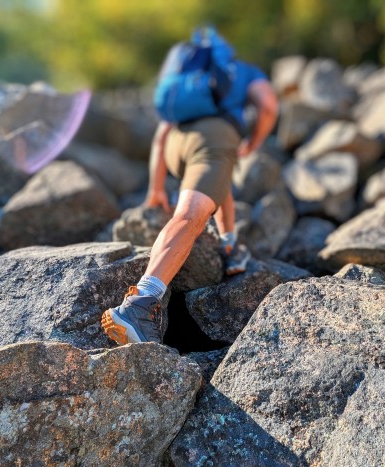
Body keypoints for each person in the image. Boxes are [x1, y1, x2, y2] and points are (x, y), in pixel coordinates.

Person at [101, 30, 279, 345]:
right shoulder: (243, 72)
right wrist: (253, 141)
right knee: (191, 215)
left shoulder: (187, 80)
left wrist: (156, 188)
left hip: (176, 145)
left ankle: (228, 244)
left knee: (215, 184)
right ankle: (141, 303)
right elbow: (267, 105)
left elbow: (162, 134)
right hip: (213, 140)